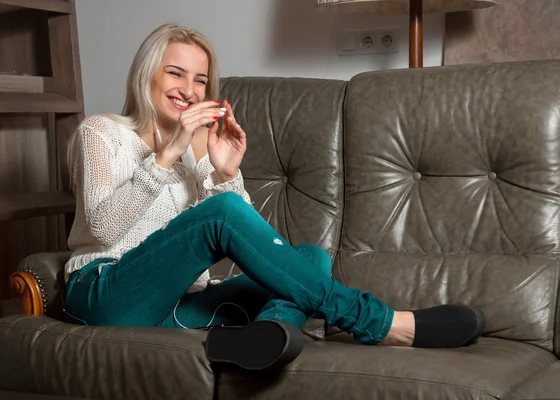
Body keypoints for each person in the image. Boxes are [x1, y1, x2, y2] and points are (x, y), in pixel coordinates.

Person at [63, 23, 486, 371]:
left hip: (175, 309)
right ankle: (379, 322)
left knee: (310, 258)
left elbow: (246, 245)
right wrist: (167, 153)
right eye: (175, 73)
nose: (189, 89)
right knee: (223, 213)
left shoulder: (196, 156)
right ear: (147, 74)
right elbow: (102, 226)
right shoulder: (102, 133)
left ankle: (258, 343)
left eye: (200, 80)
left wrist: (227, 173)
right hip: (105, 295)